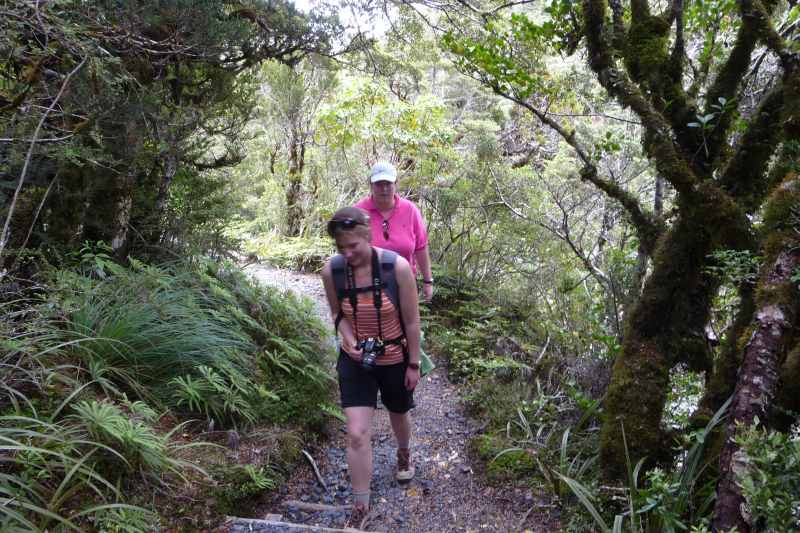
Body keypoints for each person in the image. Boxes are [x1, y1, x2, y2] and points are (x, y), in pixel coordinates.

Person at [321, 206, 422, 529]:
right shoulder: (332, 272)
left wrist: (414, 363)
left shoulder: (398, 268)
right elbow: (337, 315)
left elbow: (411, 320)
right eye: (342, 248)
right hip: (356, 361)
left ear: (368, 235)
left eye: (354, 246)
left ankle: (403, 452)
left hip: (395, 356)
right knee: (356, 433)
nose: (348, 254)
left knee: (398, 411)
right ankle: (361, 504)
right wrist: (348, 336)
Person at [355, 162, 434, 302]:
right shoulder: (358, 212)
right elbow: (349, 248)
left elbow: (421, 247)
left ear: (396, 184)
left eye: (388, 183)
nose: (384, 189)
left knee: (407, 323)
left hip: (405, 284)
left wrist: (428, 281)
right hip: (367, 286)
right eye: (379, 184)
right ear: (371, 185)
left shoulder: (410, 210)